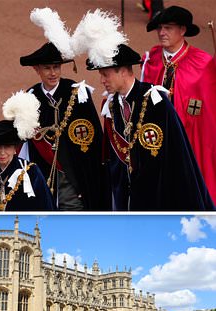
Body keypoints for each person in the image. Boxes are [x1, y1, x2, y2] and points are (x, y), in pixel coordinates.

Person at [76, 10, 213, 210]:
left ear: (123, 71)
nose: (102, 81)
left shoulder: (155, 101)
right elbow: (113, 158)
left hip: (159, 197)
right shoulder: (112, 105)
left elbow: (176, 157)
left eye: (106, 74)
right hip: (127, 198)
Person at [19, 8, 108, 210]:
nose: (53, 73)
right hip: (43, 175)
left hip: (73, 176)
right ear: (37, 70)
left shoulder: (77, 93)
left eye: (56, 67)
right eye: (47, 68)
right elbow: (24, 146)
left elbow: (93, 141)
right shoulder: (29, 98)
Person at [141, 6, 216, 201]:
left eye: (168, 28)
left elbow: (210, 108)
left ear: (182, 30)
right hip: (156, 139)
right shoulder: (152, 59)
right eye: (159, 28)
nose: (161, 33)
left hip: (191, 140)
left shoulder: (204, 63)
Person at [0, 92, 55, 211]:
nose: (2, 152)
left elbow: (46, 207)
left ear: (15, 148)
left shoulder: (30, 171)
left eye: (7, 146)